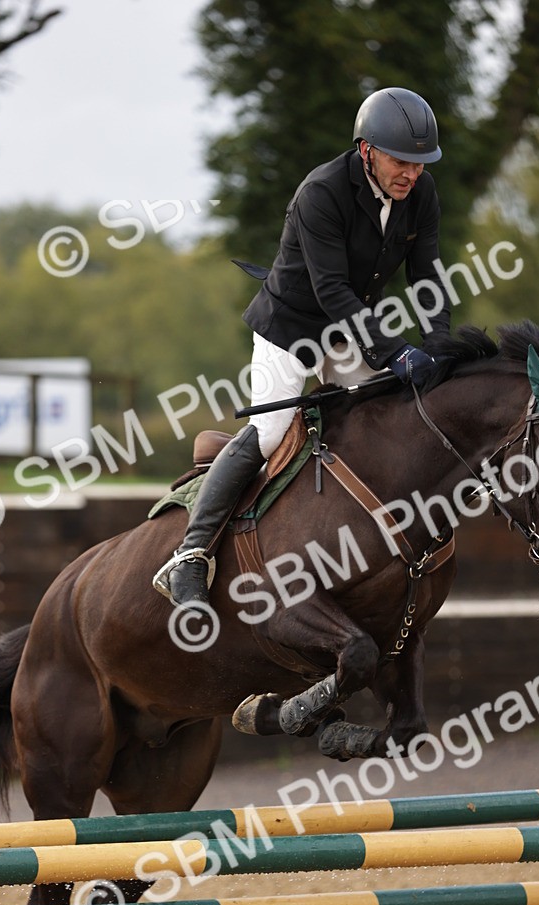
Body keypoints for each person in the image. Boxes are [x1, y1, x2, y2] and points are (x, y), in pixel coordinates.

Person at [153, 86, 451, 608]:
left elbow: (428, 278)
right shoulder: (322, 192)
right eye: (402, 161)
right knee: (270, 431)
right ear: (367, 151)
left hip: (348, 324)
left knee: (380, 419)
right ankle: (190, 554)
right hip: (290, 324)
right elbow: (330, 289)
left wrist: (441, 350)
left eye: (421, 164)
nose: (412, 173)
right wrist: (394, 352)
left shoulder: (421, 195)